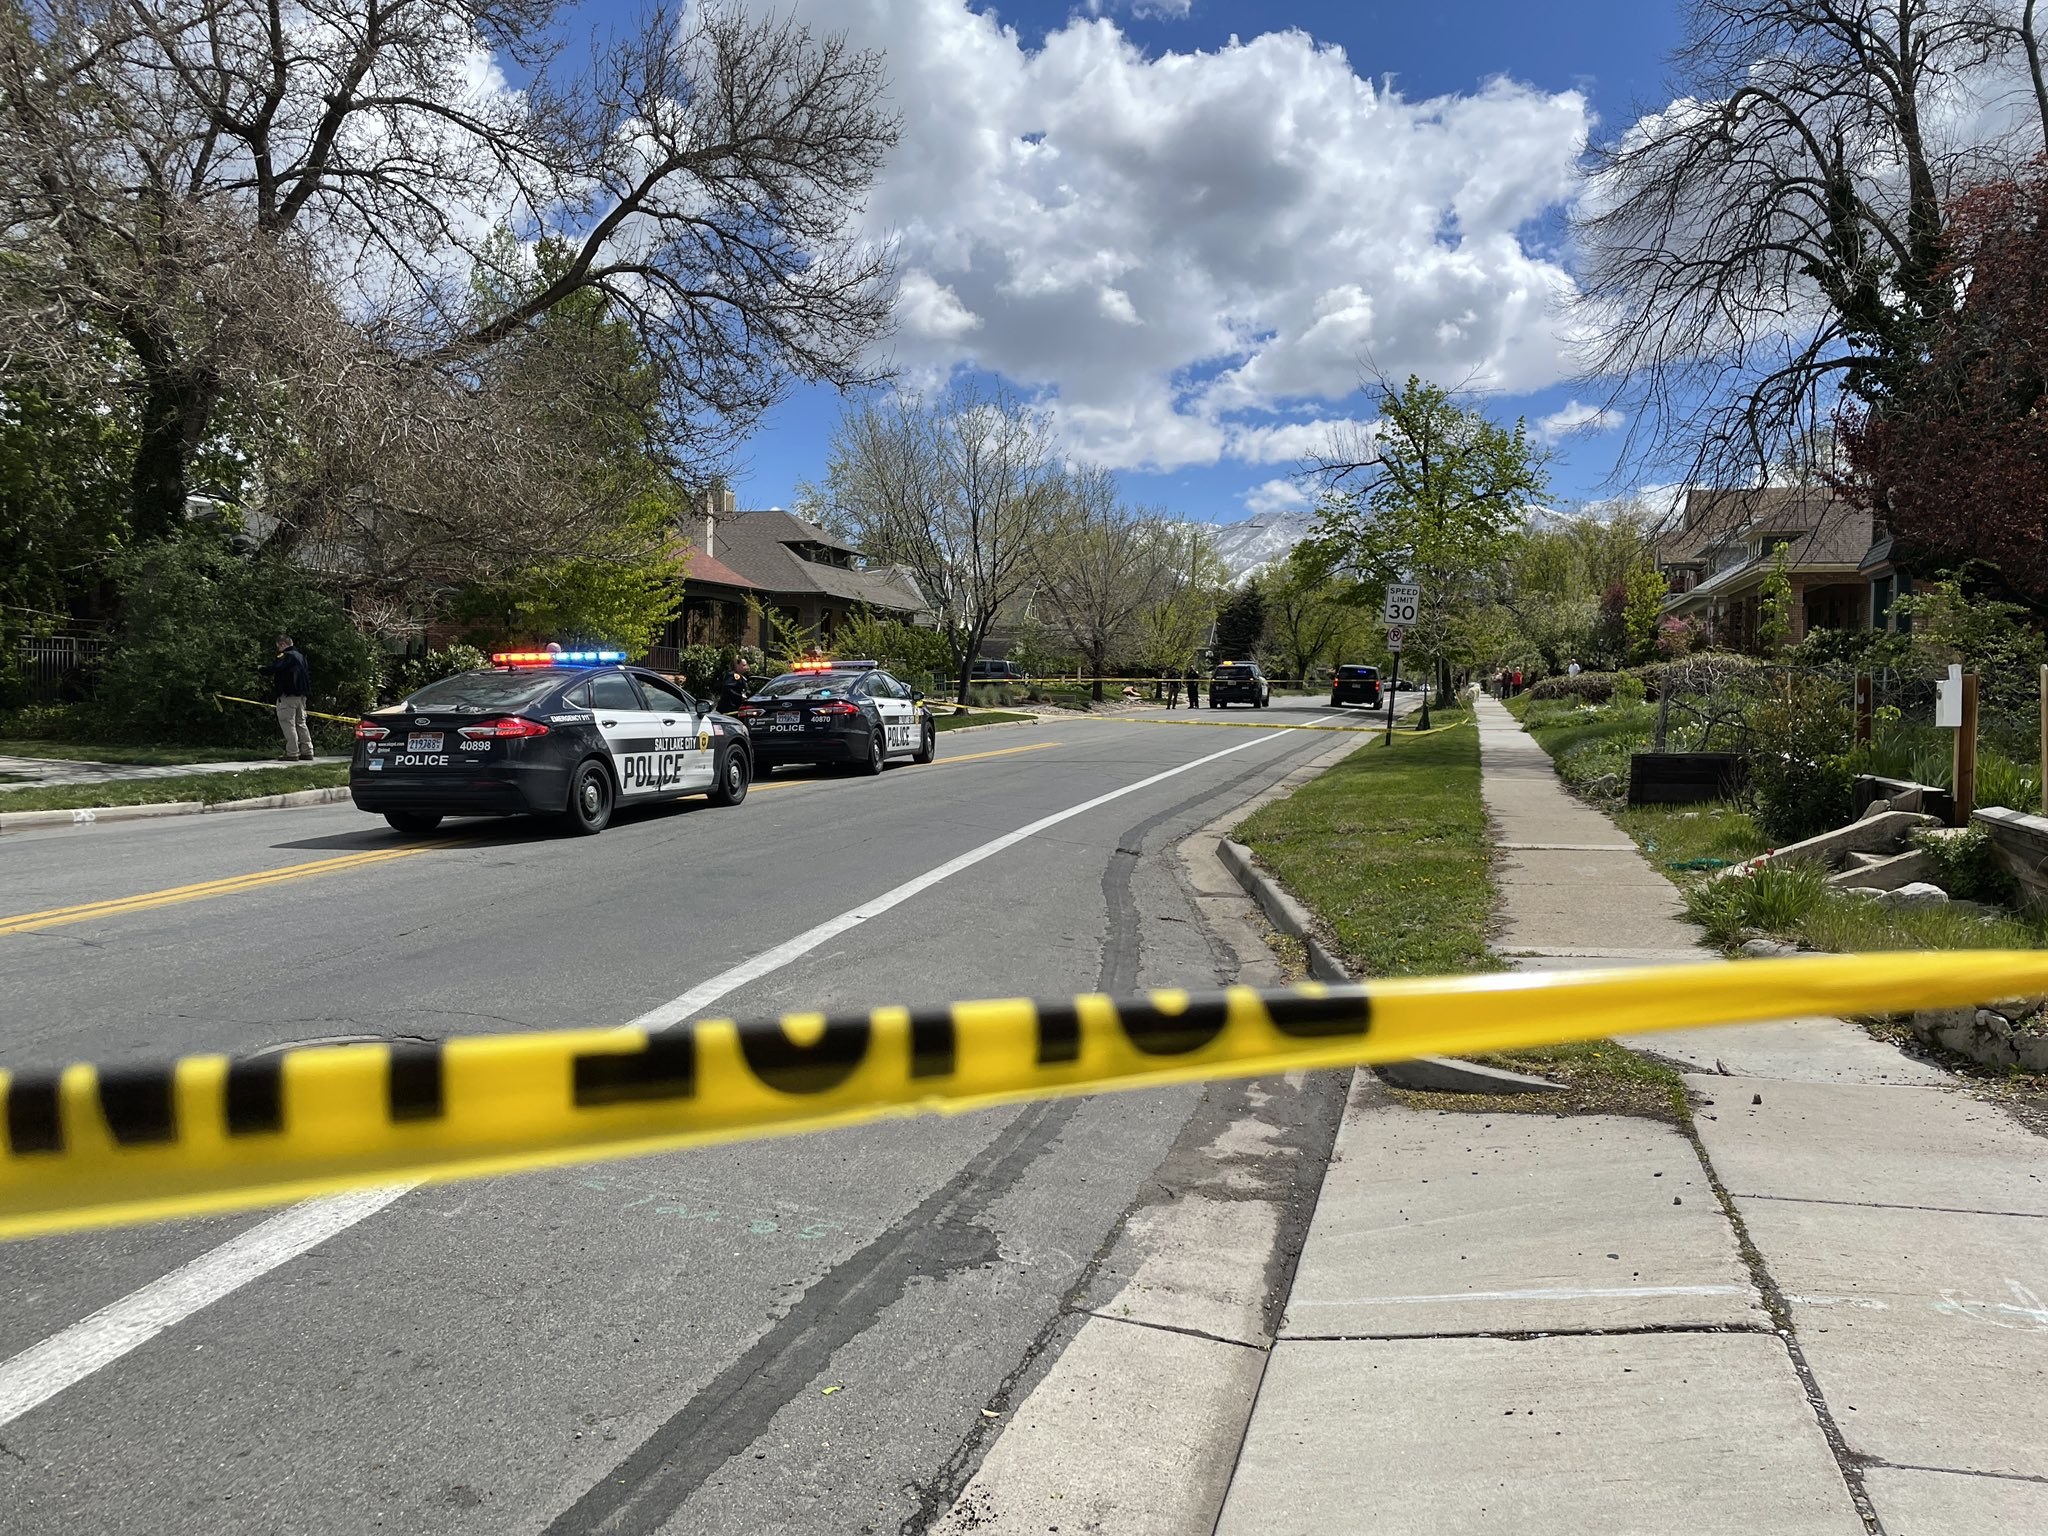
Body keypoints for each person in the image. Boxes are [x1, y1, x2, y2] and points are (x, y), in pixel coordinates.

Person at [268, 633, 314, 761]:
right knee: (301, 723)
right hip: (301, 696)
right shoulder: (301, 656)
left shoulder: (286, 656)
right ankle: (307, 751)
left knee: (288, 723)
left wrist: (262, 669)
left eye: (278, 647)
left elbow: (275, 668)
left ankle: (292, 752)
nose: (278, 650)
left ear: (282, 644)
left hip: (288, 696)